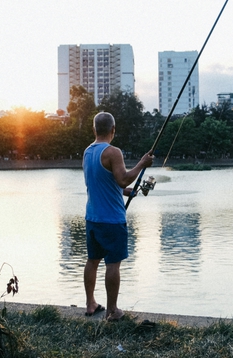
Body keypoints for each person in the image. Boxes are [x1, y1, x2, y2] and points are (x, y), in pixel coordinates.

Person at [83, 112, 154, 321]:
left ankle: (90, 304)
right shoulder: (113, 152)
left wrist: (125, 192)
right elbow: (122, 179)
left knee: (92, 261)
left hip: (92, 218)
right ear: (113, 130)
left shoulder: (88, 152)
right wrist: (142, 163)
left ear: (94, 129)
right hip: (112, 220)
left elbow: (101, 181)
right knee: (113, 264)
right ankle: (112, 311)